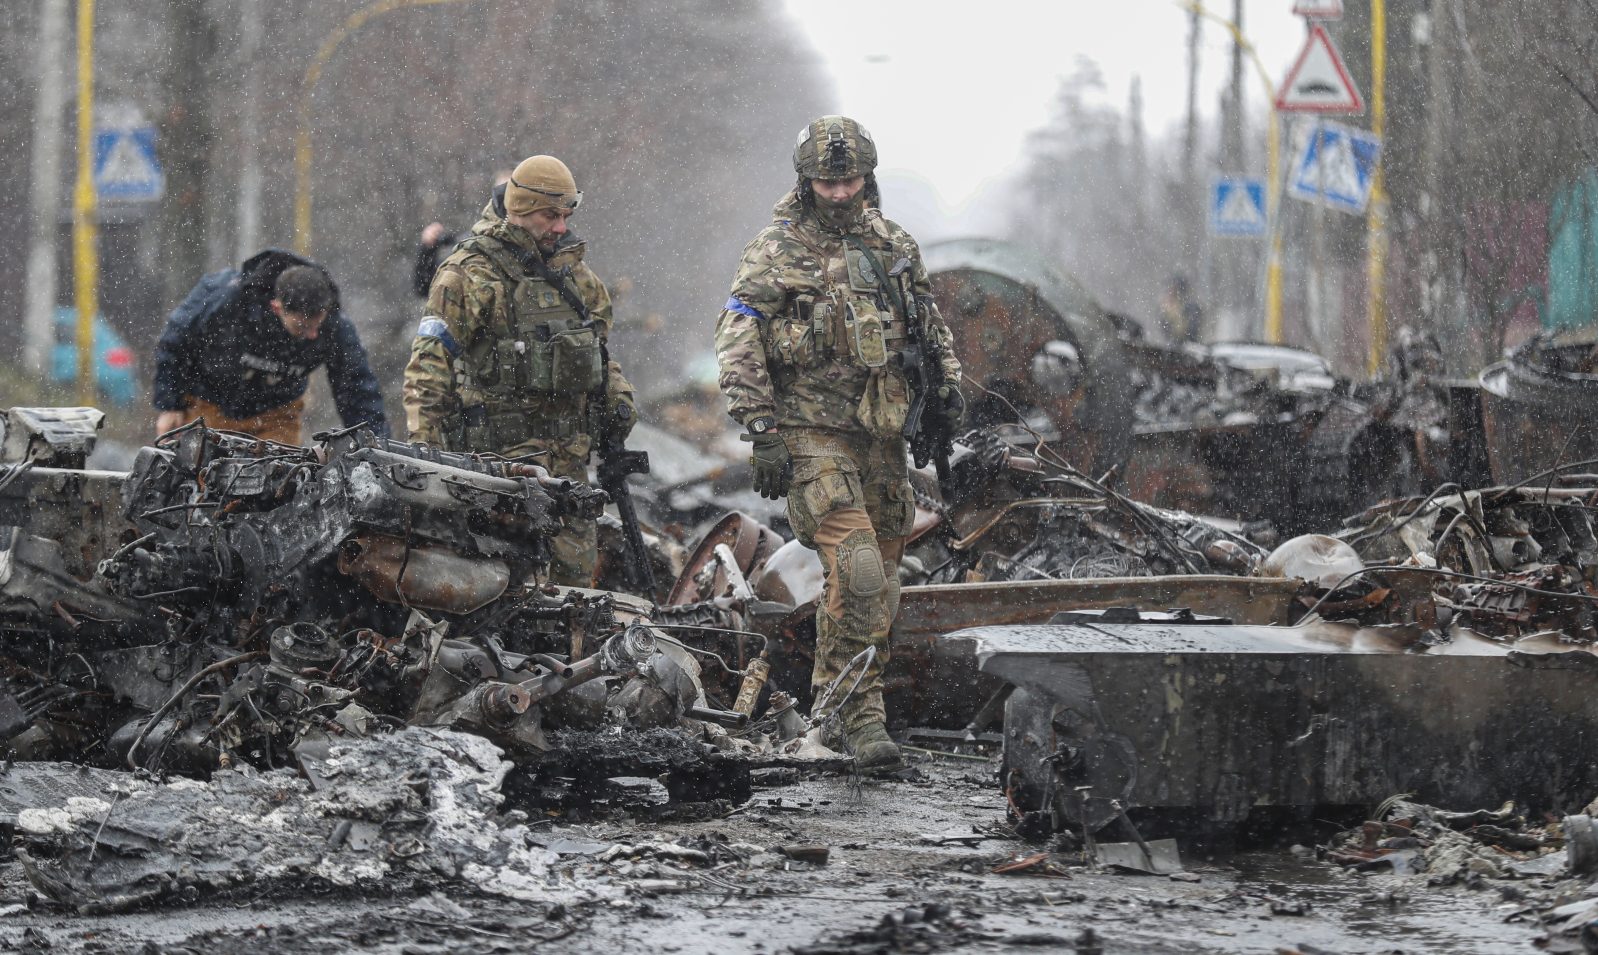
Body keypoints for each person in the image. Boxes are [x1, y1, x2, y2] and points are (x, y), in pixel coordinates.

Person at [714, 116, 964, 775]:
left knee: (879, 584)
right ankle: (862, 716)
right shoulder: (777, 249)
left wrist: (947, 392)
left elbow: (930, 328)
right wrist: (761, 428)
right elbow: (737, 337)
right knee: (855, 567)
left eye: (850, 180)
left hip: (881, 439)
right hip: (810, 434)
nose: (839, 192)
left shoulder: (893, 245)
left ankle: (832, 702)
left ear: (867, 177)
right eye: (827, 182)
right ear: (806, 181)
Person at [402, 155, 636, 588]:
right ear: (520, 210)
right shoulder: (469, 274)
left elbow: (597, 351)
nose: (561, 227)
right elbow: (427, 369)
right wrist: (424, 458)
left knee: (574, 593)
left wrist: (617, 399)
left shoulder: (575, 276)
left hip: (568, 470)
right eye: (550, 215)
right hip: (495, 473)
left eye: (566, 216)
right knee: (499, 592)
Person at [152, 250, 387, 444]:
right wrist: (169, 405)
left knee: (280, 481)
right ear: (277, 308)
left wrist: (373, 445)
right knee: (205, 479)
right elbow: (174, 341)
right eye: (302, 327)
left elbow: (357, 387)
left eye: (318, 325)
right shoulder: (225, 300)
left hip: (277, 414)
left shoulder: (336, 327)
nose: (312, 334)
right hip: (210, 405)